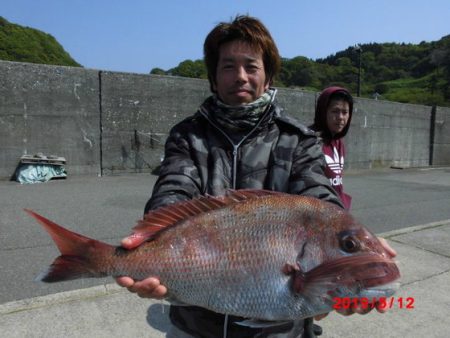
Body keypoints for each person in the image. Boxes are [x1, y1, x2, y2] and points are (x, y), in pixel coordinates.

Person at [116, 15, 396, 338]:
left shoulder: (298, 139)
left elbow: (320, 199)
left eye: (251, 66)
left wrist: (349, 245)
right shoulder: (187, 136)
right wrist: (148, 245)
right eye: (228, 66)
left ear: (268, 75)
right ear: (213, 77)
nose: (240, 76)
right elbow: (173, 190)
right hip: (195, 326)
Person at [311, 87, 353, 210]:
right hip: (318, 214)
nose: (340, 117)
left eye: (345, 112)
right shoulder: (310, 141)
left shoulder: (338, 143)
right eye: (335, 111)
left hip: (337, 212)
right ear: (323, 112)